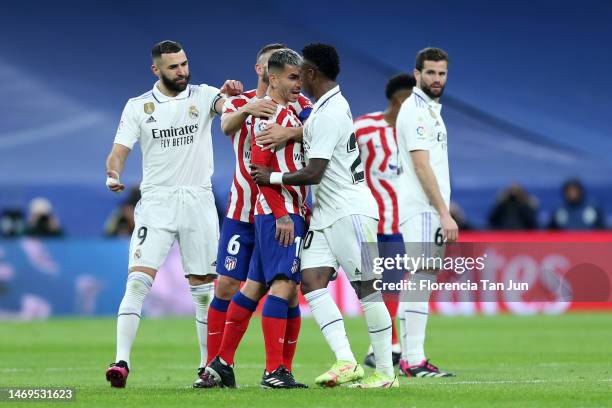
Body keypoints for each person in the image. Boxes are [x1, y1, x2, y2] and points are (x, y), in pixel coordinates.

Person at [252, 43, 397, 389]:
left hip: (351, 212)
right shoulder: (324, 108)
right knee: (311, 281)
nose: (299, 75)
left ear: (313, 73)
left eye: (302, 70)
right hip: (327, 214)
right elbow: (314, 133)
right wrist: (291, 132)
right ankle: (346, 361)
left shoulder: (331, 111)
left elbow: (315, 172)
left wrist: (271, 177)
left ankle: (386, 374)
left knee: (367, 289)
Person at [104, 40, 242, 388]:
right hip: (157, 203)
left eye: (184, 64)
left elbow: (228, 108)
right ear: (156, 70)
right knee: (136, 282)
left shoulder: (203, 95)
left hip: (197, 201)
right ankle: (121, 362)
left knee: (202, 290)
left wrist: (234, 98)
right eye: (173, 67)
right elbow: (119, 150)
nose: (182, 71)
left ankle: (205, 366)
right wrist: (113, 174)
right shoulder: (138, 106)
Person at [195, 44, 312, 388]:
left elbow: (317, 128)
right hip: (251, 209)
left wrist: (292, 131)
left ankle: (236, 365)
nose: (298, 81)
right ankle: (215, 367)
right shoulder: (243, 101)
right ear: (261, 70)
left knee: (267, 286)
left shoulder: (297, 105)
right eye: (288, 74)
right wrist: (247, 107)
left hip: (274, 207)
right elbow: (227, 126)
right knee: (235, 284)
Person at [395, 47, 455, 378]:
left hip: (426, 207)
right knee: (422, 275)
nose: (436, 79)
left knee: (419, 277)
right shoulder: (416, 110)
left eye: (442, 73)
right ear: (416, 74)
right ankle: (413, 360)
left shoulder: (431, 110)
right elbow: (421, 165)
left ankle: (408, 356)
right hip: (422, 209)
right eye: (430, 72)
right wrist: (444, 213)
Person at [354, 73, 416, 369]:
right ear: (399, 100)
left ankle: (383, 347)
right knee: (372, 288)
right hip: (369, 223)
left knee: (390, 289)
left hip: (399, 226)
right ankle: (388, 346)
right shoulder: (364, 128)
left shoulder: (413, 132)